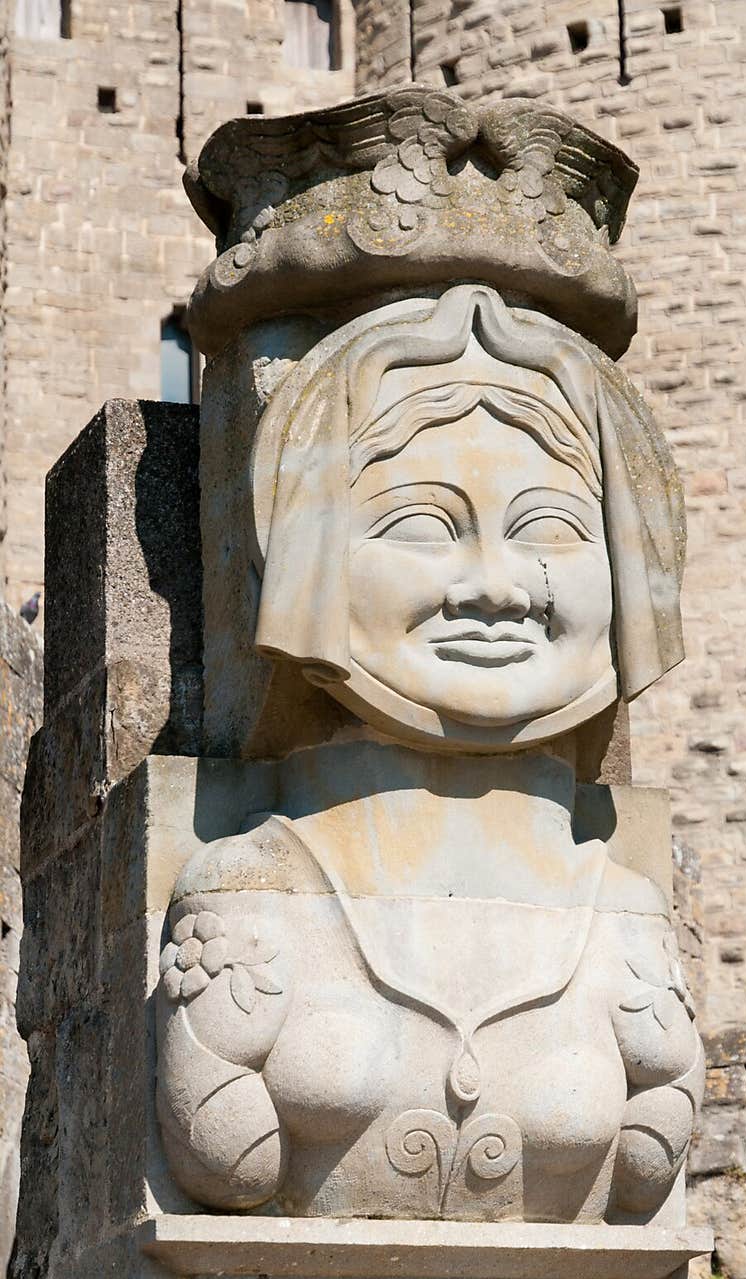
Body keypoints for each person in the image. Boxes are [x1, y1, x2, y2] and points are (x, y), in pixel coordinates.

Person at [157, 286, 703, 1223]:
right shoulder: (247, 886)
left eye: (548, 528)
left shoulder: (621, 910)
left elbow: (650, 1169)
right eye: (420, 523)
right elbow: (221, 1162)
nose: (497, 588)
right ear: (305, 547)